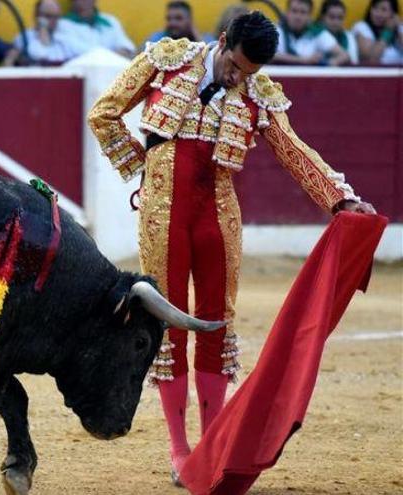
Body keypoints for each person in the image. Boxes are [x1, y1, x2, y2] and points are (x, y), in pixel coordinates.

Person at [86, 10, 375, 486]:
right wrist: (145, 170)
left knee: (217, 325)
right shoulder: (166, 59)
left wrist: (339, 197)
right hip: (164, 214)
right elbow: (105, 112)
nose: (238, 78)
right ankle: (180, 449)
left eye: (249, 73)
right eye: (235, 67)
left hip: (218, 215)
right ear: (222, 42)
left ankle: (212, 444)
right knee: (171, 324)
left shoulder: (258, 92)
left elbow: (293, 149)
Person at [273, 0, 350, 65]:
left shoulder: (317, 33)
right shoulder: (275, 30)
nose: (298, 16)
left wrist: (327, 64)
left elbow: (344, 55)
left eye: (303, 12)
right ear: (287, 13)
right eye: (294, 11)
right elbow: (268, 55)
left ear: (309, 16)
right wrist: (304, 60)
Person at [60, 0, 135, 58]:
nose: (83, 2)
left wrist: (122, 52)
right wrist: (113, 56)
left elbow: (127, 47)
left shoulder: (110, 21)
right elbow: (79, 52)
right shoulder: (63, 24)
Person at [12, 0, 74, 65]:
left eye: (56, 17)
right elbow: (41, 56)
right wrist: (43, 30)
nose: (53, 20)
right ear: (36, 15)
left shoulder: (63, 38)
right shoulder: (24, 38)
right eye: (48, 16)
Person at [352, 0, 403, 65]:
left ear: (393, 14)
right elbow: (371, 58)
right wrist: (388, 31)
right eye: (375, 8)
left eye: (383, 10)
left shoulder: (399, 28)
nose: (378, 14)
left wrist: (400, 28)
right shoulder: (361, 27)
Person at [145, 1, 214, 46]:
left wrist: (197, 36)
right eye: (168, 19)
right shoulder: (157, 38)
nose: (172, 23)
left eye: (178, 18)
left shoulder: (205, 38)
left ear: (190, 20)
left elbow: (211, 58)